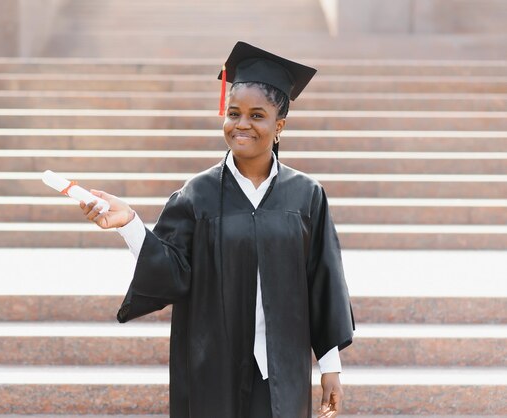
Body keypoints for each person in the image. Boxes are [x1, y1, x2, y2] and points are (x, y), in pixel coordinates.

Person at [80, 41, 355, 418]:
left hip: (283, 368)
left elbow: (323, 283)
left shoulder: (306, 196)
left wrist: (330, 368)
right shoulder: (197, 194)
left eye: (257, 115)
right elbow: (171, 268)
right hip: (211, 367)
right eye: (234, 113)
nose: (242, 124)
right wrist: (129, 224)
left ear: (279, 126)